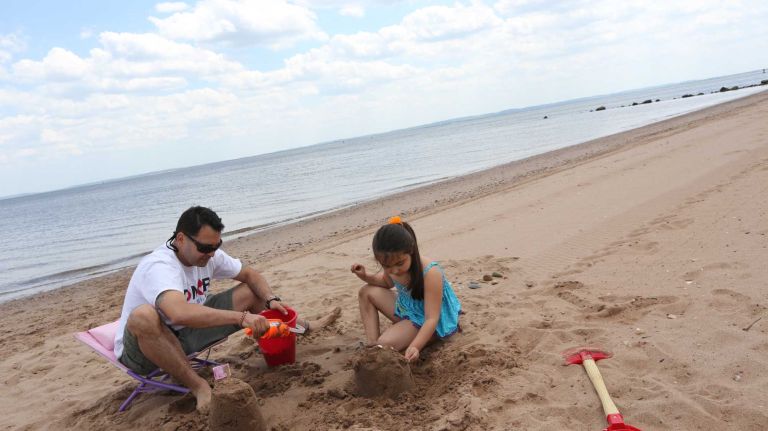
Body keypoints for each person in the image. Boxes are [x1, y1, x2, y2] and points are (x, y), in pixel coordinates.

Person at [114, 206, 339, 412]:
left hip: (186, 335)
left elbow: (250, 275)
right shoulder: (160, 266)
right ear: (181, 239)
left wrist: (270, 299)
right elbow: (178, 313)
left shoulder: (208, 254)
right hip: (145, 350)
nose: (212, 253)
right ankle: (199, 386)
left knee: (251, 291)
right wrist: (242, 318)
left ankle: (302, 327)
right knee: (143, 316)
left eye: (216, 246)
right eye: (205, 247)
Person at [351, 216, 461, 362]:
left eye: (400, 263)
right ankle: (372, 346)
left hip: (428, 320)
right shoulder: (392, 264)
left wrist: (416, 346)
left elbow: (432, 318)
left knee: (384, 345)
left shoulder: (430, 272)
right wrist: (365, 276)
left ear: (411, 250)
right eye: (387, 266)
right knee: (366, 291)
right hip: (407, 308)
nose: (395, 270)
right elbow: (386, 282)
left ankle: (382, 347)